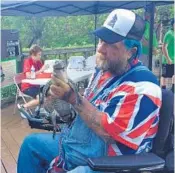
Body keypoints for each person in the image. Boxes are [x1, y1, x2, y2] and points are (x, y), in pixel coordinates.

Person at [17, 9, 162, 173]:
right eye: (101, 41)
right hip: (81, 147)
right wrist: (62, 106)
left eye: (110, 44)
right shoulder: (103, 72)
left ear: (131, 52)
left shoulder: (143, 86)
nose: (100, 49)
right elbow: (83, 114)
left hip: (112, 163)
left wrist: (72, 98)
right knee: (31, 144)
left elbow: (108, 133)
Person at [18, 45, 48, 118]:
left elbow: (41, 73)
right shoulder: (28, 61)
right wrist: (41, 70)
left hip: (36, 85)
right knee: (41, 98)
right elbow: (28, 75)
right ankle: (23, 107)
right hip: (27, 86)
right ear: (33, 54)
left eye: (40, 54)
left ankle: (40, 108)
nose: (40, 56)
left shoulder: (38, 62)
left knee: (49, 92)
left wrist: (47, 69)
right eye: (39, 54)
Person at [161, 18, 174, 93]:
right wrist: (168, 58)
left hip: (174, 58)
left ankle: (173, 89)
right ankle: (163, 89)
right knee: (164, 75)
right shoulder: (169, 33)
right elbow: (164, 47)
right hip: (168, 59)